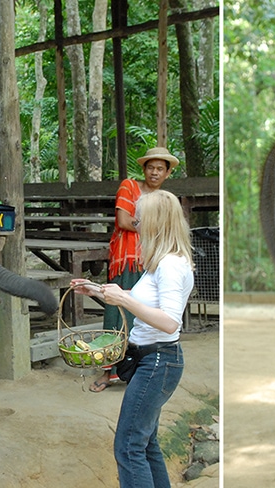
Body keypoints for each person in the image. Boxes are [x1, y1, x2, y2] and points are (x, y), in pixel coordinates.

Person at [71, 189, 194, 488]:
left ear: (155, 224)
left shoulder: (171, 266)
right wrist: (100, 291)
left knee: (128, 446)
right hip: (149, 360)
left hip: (159, 360)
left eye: (139, 222)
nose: (135, 227)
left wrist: (124, 302)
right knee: (145, 443)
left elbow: (169, 322)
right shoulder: (159, 263)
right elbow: (144, 303)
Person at [90, 146, 179, 393]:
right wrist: (151, 225)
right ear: (144, 169)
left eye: (160, 168)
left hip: (151, 261)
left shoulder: (163, 198)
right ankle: (108, 371)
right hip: (127, 258)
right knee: (116, 315)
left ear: (167, 173)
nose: (154, 172)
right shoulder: (129, 186)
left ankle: (133, 372)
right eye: (151, 167)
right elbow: (123, 220)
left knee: (143, 317)